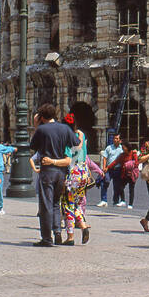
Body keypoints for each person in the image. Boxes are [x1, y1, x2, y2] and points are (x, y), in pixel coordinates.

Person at [28, 104, 76, 246]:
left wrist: (36, 126)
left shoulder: (42, 130)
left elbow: (33, 145)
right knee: (56, 203)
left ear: (41, 117)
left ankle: (46, 238)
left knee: (45, 204)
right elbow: (75, 142)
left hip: (47, 170)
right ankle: (58, 233)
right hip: (61, 172)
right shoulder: (64, 128)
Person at [59, 115, 91, 245]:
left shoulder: (67, 140)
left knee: (67, 204)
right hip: (83, 172)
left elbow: (68, 160)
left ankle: (70, 236)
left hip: (72, 174)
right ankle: (83, 226)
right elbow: (85, 156)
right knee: (77, 203)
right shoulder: (81, 136)